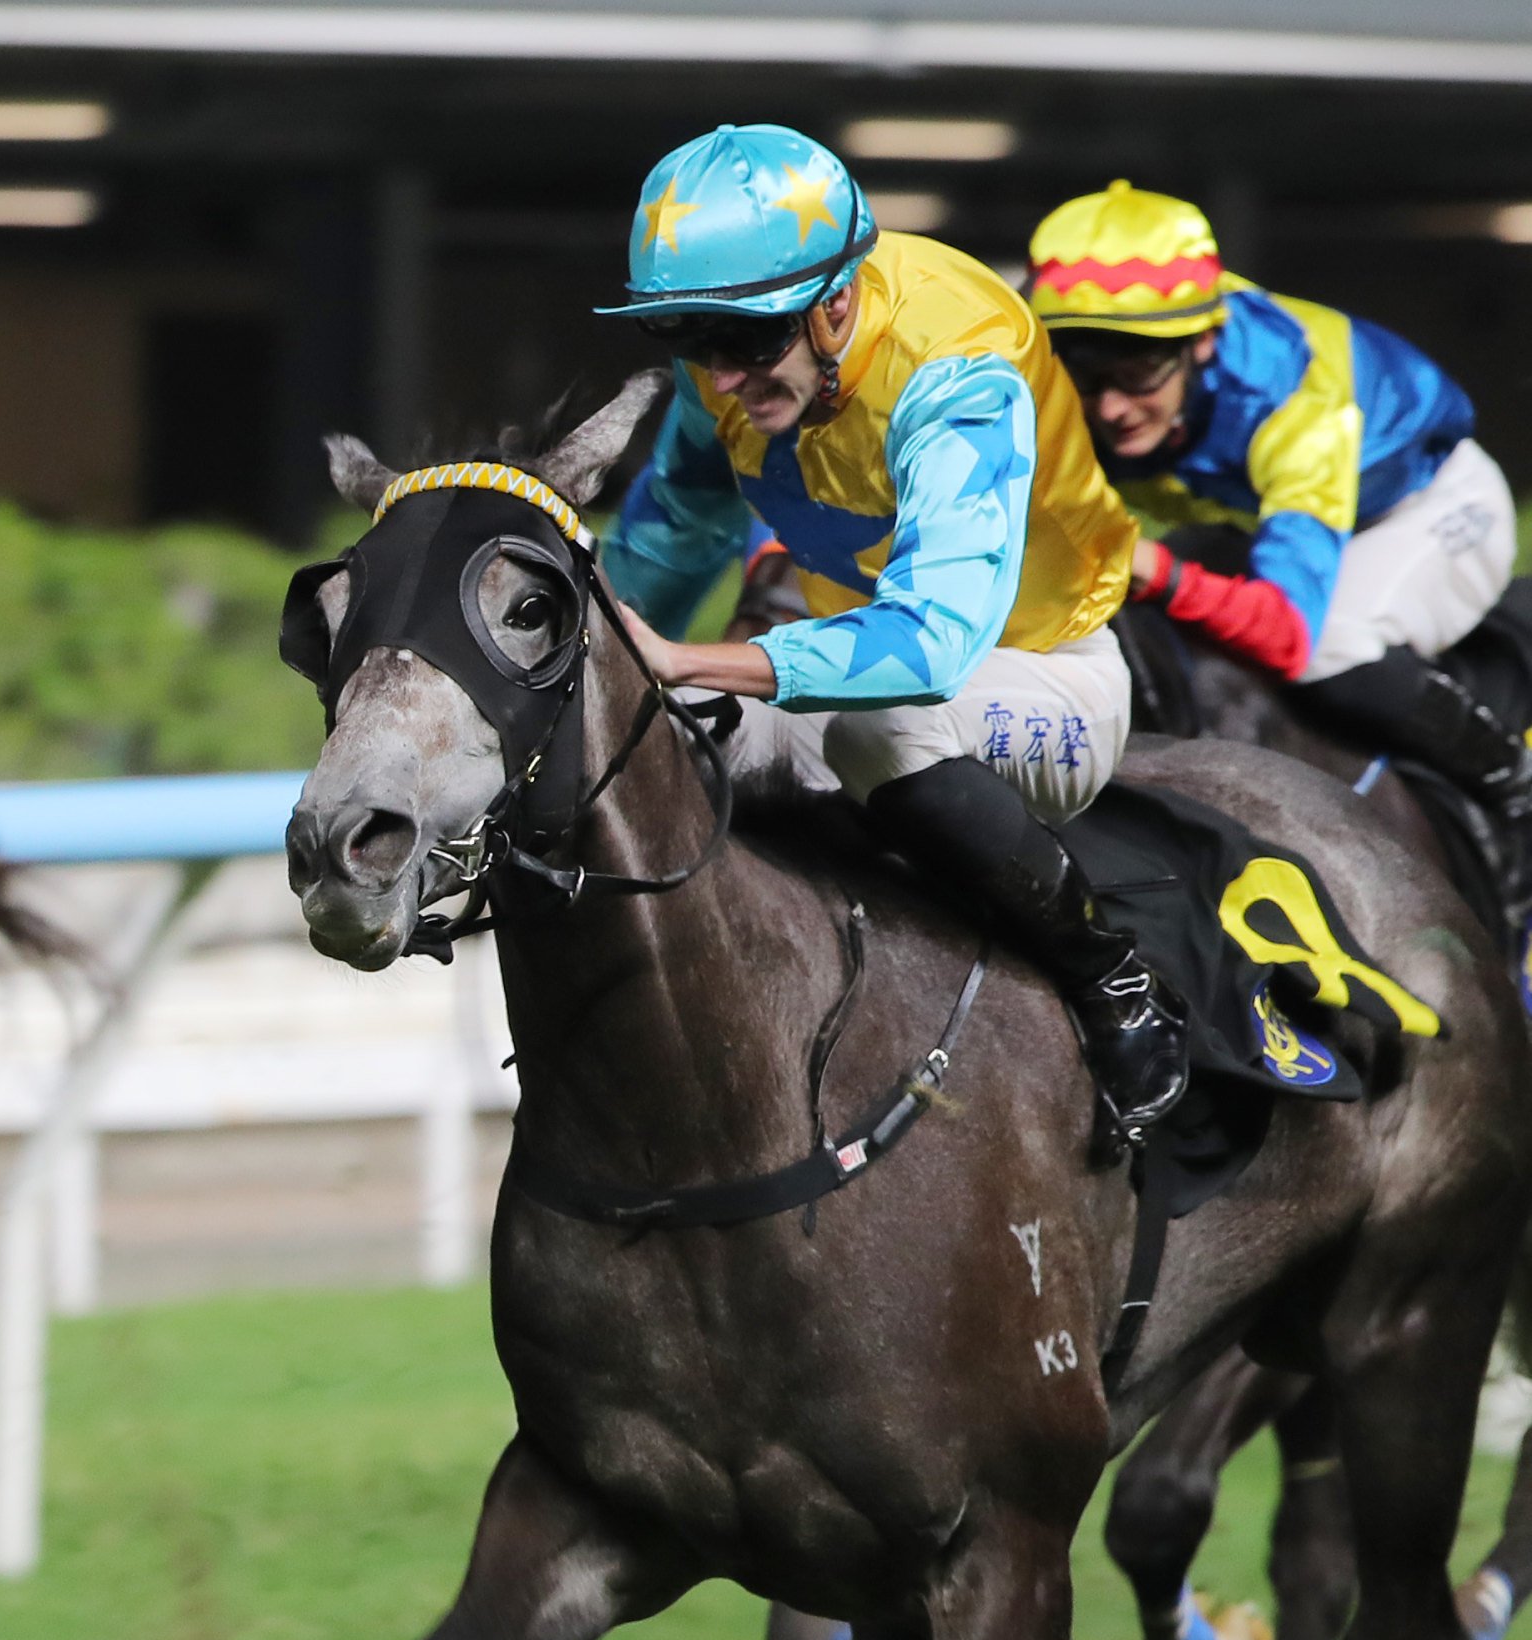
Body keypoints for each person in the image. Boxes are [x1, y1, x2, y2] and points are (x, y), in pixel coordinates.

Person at [602, 124, 1183, 1149]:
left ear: (835, 303)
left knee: (885, 733)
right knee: (662, 738)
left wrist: (697, 658)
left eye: (740, 342)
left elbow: (929, 648)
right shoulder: (734, 367)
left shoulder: (958, 366)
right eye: (689, 341)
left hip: (1044, 677)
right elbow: (666, 545)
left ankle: (1117, 983)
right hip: (850, 661)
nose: (719, 379)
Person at [1025, 181, 1532, 842]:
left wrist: (1156, 569)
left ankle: (1512, 787)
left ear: (1203, 340)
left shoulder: (1295, 404)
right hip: (1256, 516)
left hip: (1424, 507)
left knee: (1331, 649)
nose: (1111, 407)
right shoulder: (1060, 379)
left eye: (1140, 370)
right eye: (1084, 372)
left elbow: (1284, 635)